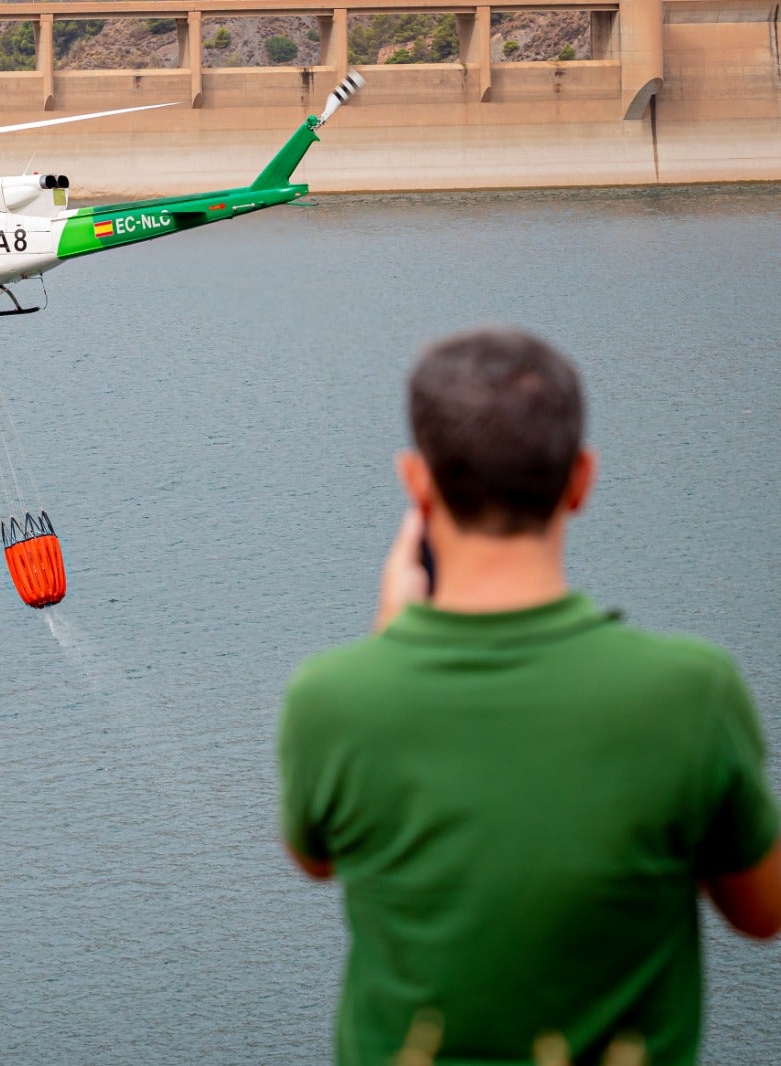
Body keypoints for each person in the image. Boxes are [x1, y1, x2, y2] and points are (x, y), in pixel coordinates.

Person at [278, 328, 780, 1064]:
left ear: (416, 483)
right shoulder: (690, 692)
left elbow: (316, 859)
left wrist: (390, 645)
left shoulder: (333, 699)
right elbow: (762, 912)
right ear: (582, 480)